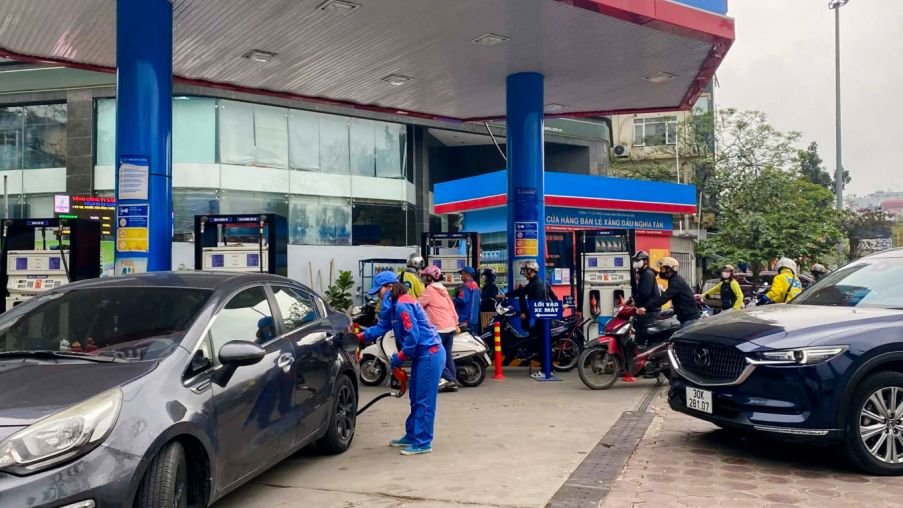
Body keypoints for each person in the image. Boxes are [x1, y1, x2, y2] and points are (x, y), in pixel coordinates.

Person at [360, 271, 444, 456]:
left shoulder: (403, 305)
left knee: (424, 400)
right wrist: (359, 337)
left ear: (390, 287)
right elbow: (381, 328)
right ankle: (412, 435)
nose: (378, 296)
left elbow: (413, 337)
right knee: (415, 397)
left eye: (379, 291)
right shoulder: (394, 306)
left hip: (430, 353)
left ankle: (423, 442)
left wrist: (400, 357)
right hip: (422, 355)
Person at [419, 265, 460, 393]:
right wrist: (455, 323)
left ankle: (449, 378)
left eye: (425, 276)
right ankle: (453, 382)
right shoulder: (443, 289)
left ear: (430, 278)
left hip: (439, 328)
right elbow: (451, 307)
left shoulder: (430, 290)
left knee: (434, 355)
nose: (423, 278)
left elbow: (417, 304)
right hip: (450, 326)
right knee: (447, 355)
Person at [626, 251, 662, 382]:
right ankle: (639, 368)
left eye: (638, 260)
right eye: (635, 261)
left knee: (649, 343)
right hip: (643, 312)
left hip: (649, 313)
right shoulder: (642, 273)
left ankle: (652, 370)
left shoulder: (647, 274)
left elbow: (644, 293)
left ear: (645, 261)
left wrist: (635, 301)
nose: (636, 263)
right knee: (640, 341)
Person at [637, 257, 701, 329]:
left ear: (669, 269)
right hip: (686, 318)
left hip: (690, 319)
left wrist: (645, 307)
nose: (661, 272)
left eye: (662, 269)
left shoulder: (676, 282)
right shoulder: (674, 280)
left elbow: (665, 297)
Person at [497, 260, 548, 327]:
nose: (523, 272)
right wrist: (504, 295)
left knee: (534, 329)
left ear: (531, 271)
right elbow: (521, 291)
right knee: (526, 327)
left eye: (525, 270)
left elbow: (537, 304)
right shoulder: (532, 282)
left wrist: (526, 314)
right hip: (536, 315)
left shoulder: (537, 284)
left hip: (540, 316)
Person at [454, 266, 481, 331]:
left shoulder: (466, 285)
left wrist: (453, 299)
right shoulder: (476, 285)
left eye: (462, 274)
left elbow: (462, 300)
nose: (461, 276)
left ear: (468, 274)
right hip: (474, 319)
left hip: (465, 319)